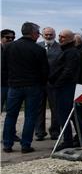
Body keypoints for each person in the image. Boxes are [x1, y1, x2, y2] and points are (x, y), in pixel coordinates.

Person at [2, 22, 48, 153]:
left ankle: (7, 143)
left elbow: (4, 68)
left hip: (14, 86)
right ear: (33, 33)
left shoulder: (9, 47)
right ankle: (25, 145)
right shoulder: (38, 50)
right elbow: (44, 70)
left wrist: (10, 80)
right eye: (38, 33)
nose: (39, 36)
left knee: (10, 115)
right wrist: (41, 83)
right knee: (30, 116)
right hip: (33, 86)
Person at [49, 29, 81, 149]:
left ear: (69, 39)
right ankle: (77, 137)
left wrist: (57, 83)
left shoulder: (71, 53)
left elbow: (68, 71)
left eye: (63, 37)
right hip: (62, 87)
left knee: (64, 114)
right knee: (66, 114)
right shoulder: (66, 51)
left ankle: (67, 140)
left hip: (65, 88)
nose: (59, 39)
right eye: (60, 36)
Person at [35, 26, 62, 141]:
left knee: (55, 108)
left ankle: (55, 132)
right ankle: (40, 132)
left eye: (51, 34)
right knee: (39, 108)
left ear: (54, 35)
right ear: (42, 35)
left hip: (54, 83)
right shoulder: (37, 47)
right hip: (39, 83)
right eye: (46, 34)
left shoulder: (60, 48)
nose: (49, 36)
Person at [1, 28, 16, 111]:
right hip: (2, 84)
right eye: (7, 37)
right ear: (1, 38)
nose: (10, 39)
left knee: (11, 110)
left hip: (12, 84)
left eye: (13, 38)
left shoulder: (14, 50)